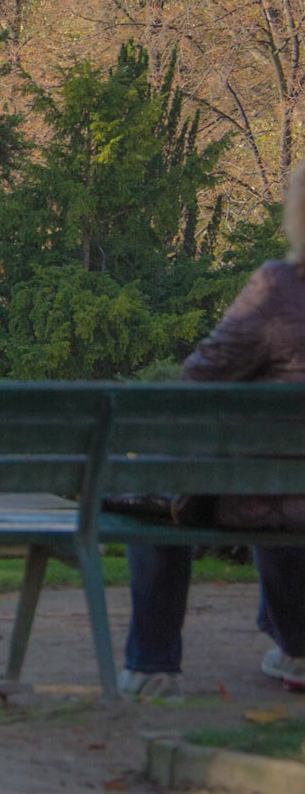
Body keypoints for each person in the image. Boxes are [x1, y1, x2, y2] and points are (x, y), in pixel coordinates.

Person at [120, 163, 305, 698]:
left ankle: (153, 664)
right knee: (282, 491)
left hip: (271, 488)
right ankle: (296, 646)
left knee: (157, 493)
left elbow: (199, 377)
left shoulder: (279, 288)